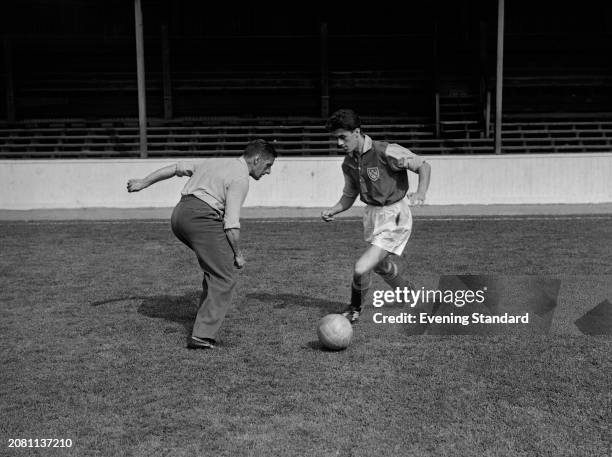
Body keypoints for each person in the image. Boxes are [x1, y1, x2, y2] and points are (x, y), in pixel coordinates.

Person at [127, 139, 277, 349]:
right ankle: (203, 335)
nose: (268, 171)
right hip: (201, 219)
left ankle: (203, 320)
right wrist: (238, 254)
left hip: (179, 216)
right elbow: (231, 225)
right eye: (268, 165)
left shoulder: (214, 162)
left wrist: (144, 182)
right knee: (225, 275)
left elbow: (175, 168)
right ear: (257, 159)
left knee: (215, 269)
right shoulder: (241, 178)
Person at [321, 109, 431, 323]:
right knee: (379, 265)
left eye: (343, 137)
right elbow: (350, 194)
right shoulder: (349, 163)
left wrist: (421, 192)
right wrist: (334, 209)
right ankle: (408, 293)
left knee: (361, 267)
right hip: (372, 216)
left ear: (357, 132)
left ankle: (354, 308)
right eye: (336, 138)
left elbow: (423, 165)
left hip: (395, 216)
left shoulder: (386, 151)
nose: (339, 143)